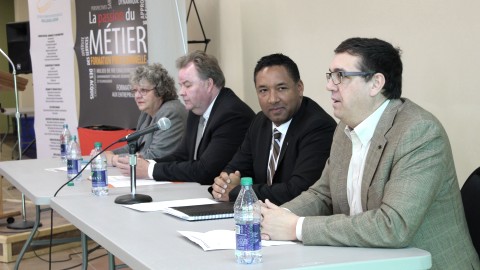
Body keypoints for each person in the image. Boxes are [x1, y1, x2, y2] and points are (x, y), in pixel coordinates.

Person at [260, 38, 480, 269]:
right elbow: (323, 195)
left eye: (341, 76)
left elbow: (393, 226)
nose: (330, 85)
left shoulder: (419, 132)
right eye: (330, 75)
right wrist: (274, 216)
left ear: (375, 83)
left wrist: (297, 227)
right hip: (368, 260)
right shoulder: (344, 129)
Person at [210, 53, 336, 205]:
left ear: (299, 88)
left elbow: (299, 191)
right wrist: (224, 184)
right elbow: (236, 168)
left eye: (281, 88)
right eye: (263, 90)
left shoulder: (318, 127)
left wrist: (237, 191)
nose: (273, 99)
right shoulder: (260, 121)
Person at [116, 51, 255, 184]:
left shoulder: (231, 115)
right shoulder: (197, 109)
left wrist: (149, 170)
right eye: (181, 85)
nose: (181, 92)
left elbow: (206, 170)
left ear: (209, 84)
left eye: (187, 85)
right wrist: (149, 163)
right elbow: (182, 155)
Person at [106, 63, 187, 165]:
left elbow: (155, 155)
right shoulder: (147, 113)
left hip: (172, 178)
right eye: (135, 91)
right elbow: (133, 146)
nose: (137, 96)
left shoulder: (171, 112)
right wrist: (109, 153)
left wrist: (114, 159)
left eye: (143, 90)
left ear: (160, 91)